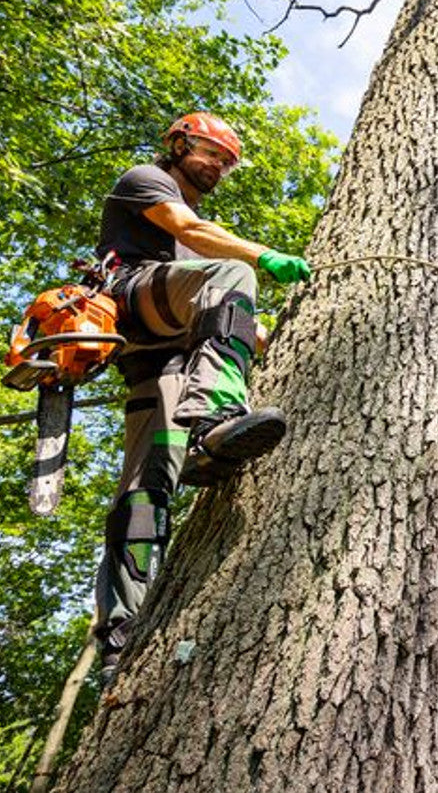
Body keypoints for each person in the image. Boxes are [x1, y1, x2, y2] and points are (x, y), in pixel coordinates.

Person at [93, 111, 311, 682]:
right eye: (210, 152)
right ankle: (214, 417)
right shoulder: (147, 180)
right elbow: (191, 235)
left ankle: (118, 632)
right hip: (133, 298)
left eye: (226, 161)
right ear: (179, 143)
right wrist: (262, 257)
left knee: (147, 479)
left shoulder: (197, 245)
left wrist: (269, 333)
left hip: (160, 355)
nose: (218, 165)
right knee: (234, 276)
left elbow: (227, 315)